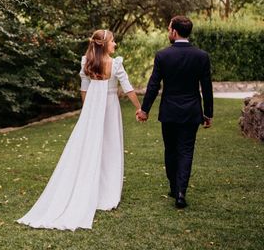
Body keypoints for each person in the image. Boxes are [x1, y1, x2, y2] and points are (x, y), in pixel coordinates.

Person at [17, 29, 142, 231]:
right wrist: (139, 108)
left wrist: (88, 112)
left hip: (92, 109)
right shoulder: (115, 63)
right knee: (110, 147)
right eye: (112, 41)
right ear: (104, 44)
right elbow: (127, 88)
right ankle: (107, 194)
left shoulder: (87, 61)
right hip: (109, 108)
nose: (115, 44)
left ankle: (94, 188)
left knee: (88, 147)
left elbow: (84, 89)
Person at [136, 15, 213, 209]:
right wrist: (208, 113)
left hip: (169, 111)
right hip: (191, 112)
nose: (168, 31)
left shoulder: (163, 55)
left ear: (174, 32)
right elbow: (207, 87)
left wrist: (145, 110)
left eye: (169, 28)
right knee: (186, 151)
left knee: (170, 150)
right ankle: (180, 192)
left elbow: (153, 85)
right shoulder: (201, 56)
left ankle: (173, 186)